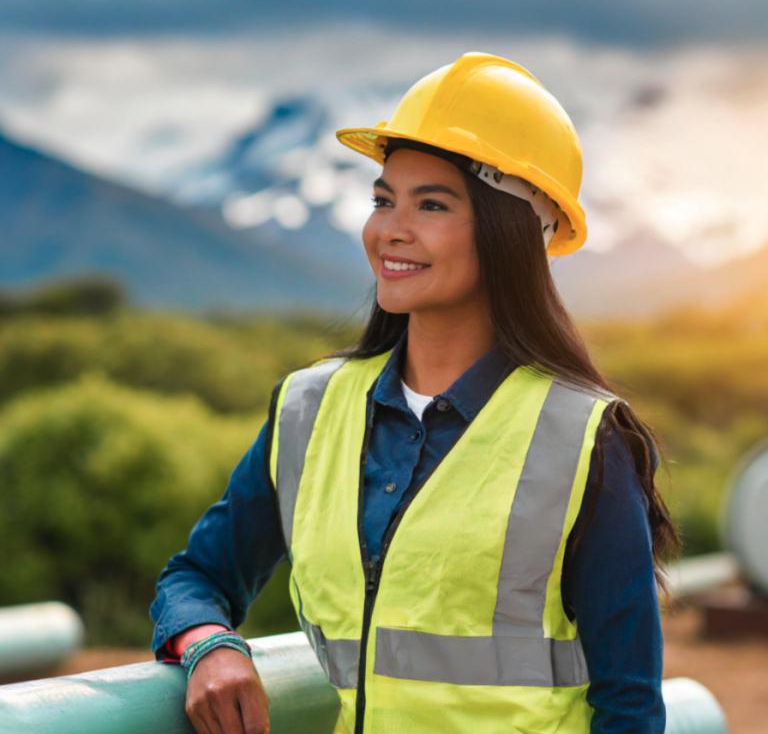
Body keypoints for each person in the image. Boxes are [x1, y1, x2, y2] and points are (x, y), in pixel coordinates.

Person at [150, 52, 680, 734]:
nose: (389, 230)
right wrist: (210, 647)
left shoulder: (585, 439)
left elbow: (630, 705)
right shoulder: (309, 412)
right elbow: (194, 577)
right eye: (382, 199)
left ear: (511, 229)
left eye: (431, 203)